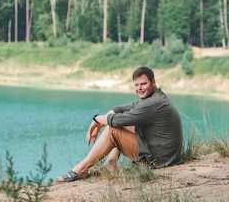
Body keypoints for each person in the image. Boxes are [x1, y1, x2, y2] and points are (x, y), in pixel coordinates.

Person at [55, 66, 183, 182]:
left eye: (143, 84)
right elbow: (121, 108)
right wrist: (98, 123)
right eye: (136, 85)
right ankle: (111, 162)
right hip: (165, 156)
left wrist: (97, 119)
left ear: (153, 82)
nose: (139, 88)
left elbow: (117, 120)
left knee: (113, 130)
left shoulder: (153, 103)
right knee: (123, 123)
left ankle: (81, 169)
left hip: (158, 161)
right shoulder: (155, 98)